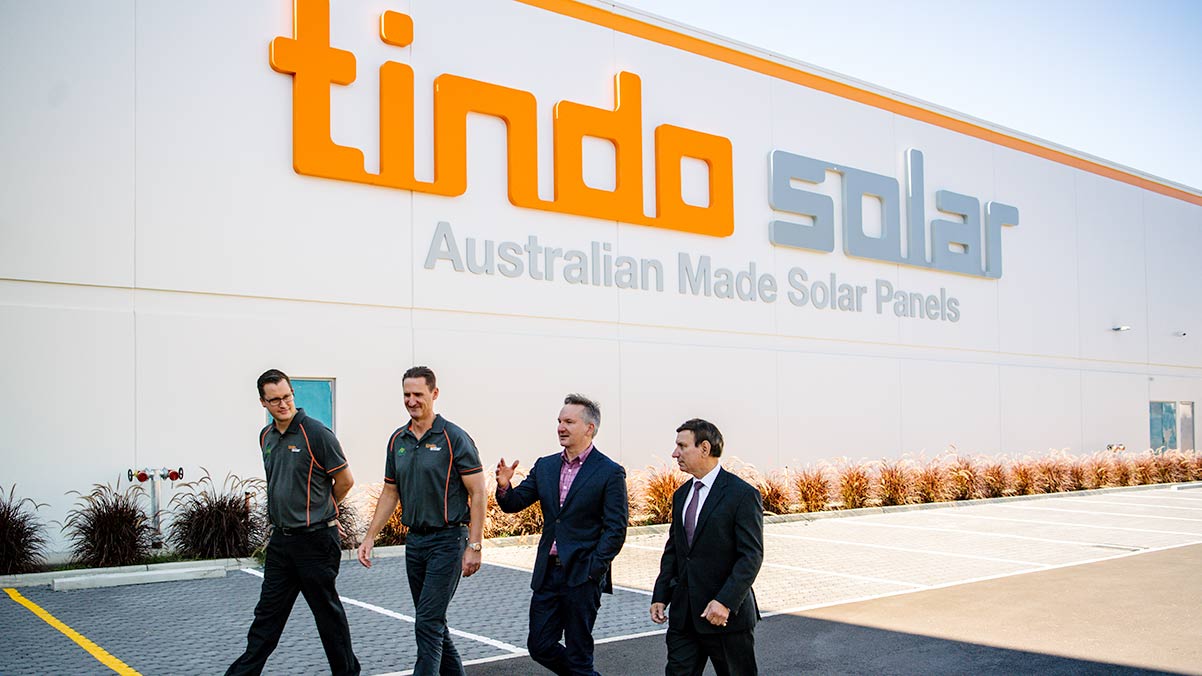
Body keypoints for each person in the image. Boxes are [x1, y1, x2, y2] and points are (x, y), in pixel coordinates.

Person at [227, 369, 361, 676]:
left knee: (328, 618)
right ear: (263, 402)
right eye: (274, 400)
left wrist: (323, 511)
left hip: (315, 542)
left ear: (292, 394)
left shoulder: (316, 434)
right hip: (281, 543)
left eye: (286, 397)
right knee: (266, 619)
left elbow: (345, 480)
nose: (283, 404)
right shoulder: (267, 437)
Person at [357, 366, 486, 676]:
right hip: (414, 542)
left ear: (434, 394)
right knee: (433, 622)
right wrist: (370, 535)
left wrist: (475, 545)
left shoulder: (453, 437)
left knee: (427, 621)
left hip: (448, 540)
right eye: (406, 394)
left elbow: (478, 492)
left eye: (418, 394)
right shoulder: (397, 440)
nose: (412, 401)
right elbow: (390, 491)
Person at [495, 393, 628, 676]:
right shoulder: (546, 466)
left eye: (569, 421)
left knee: (579, 651)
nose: (560, 427)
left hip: (583, 574)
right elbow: (514, 503)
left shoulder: (609, 472)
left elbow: (616, 529)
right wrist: (505, 486)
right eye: (559, 421)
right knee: (540, 645)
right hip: (548, 574)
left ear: (589, 428)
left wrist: (595, 568)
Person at [650, 418, 764, 676]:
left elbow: (751, 556)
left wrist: (724, 602)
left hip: (725, 618)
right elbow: (674, 551)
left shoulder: (742, 494)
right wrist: (660, 595)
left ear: (704, 448)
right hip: (684, 617)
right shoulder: (681, 495)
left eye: (681, 446)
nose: (674, 453)